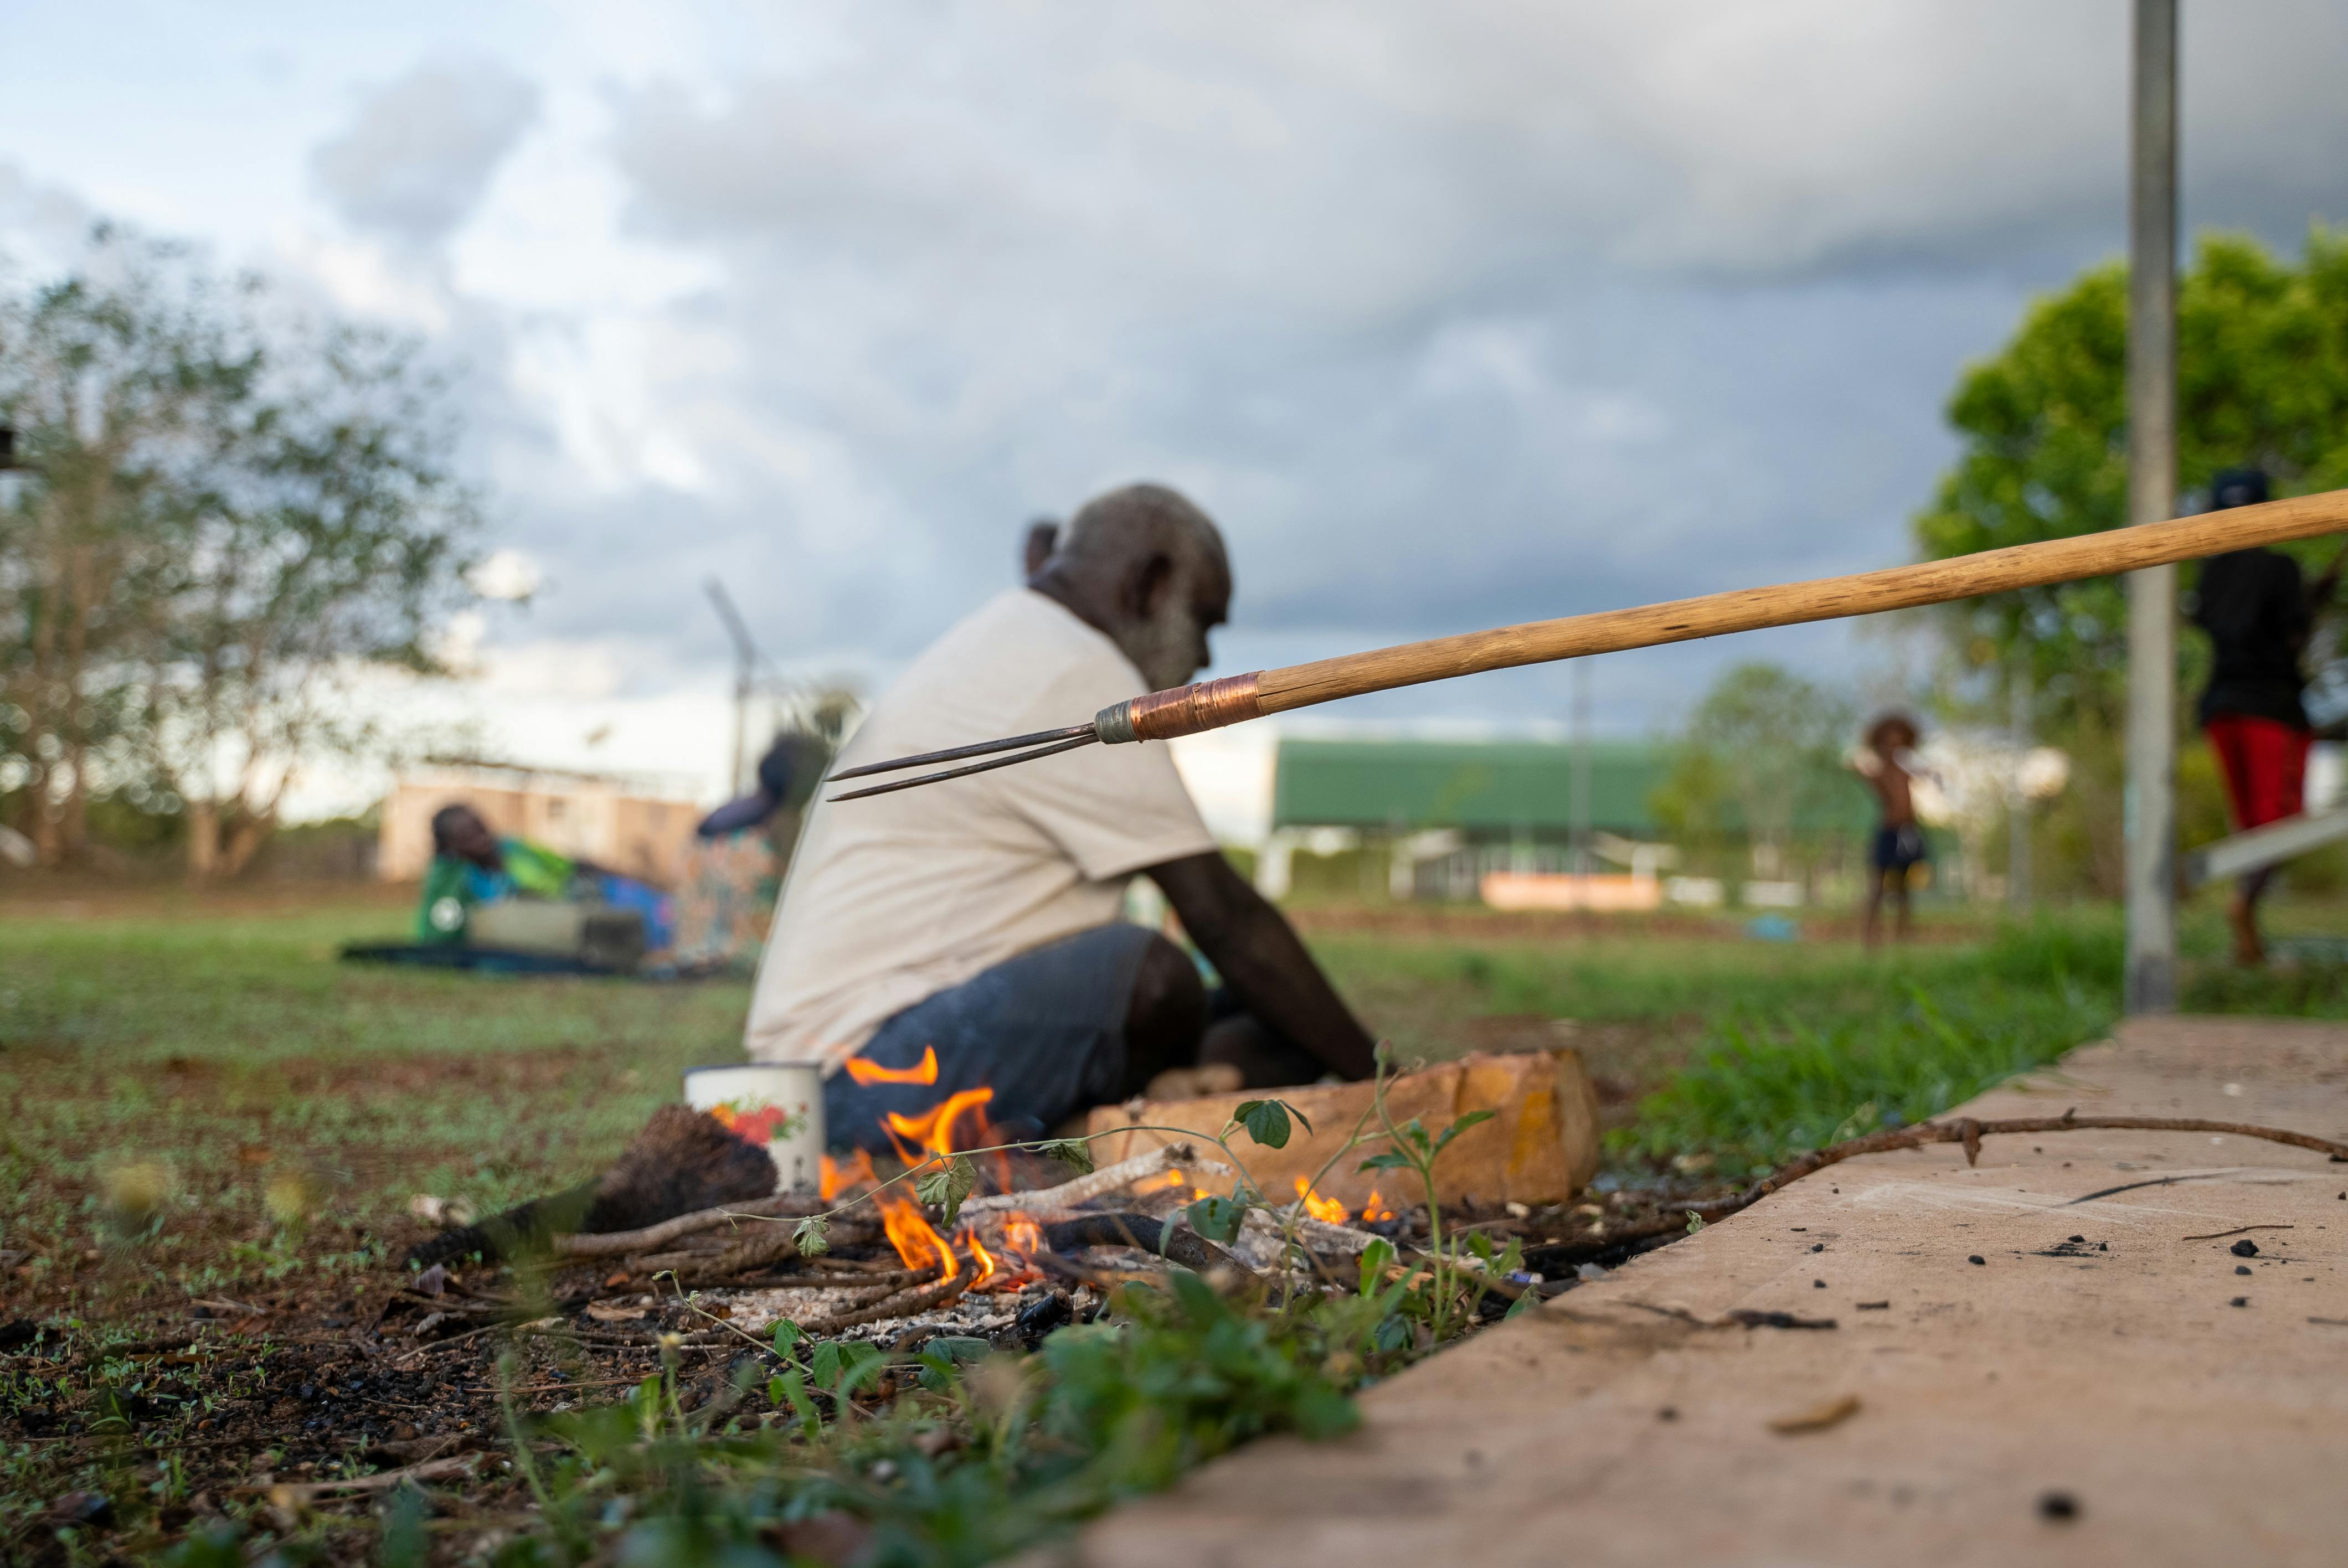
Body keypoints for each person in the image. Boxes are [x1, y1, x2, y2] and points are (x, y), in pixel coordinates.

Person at [745, 483, 1377, 1152]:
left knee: (1278, 1019)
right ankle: (1128, 1122)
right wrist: (1386, 1084)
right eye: (1205, 621)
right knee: (1153, 974)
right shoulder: (1067, 669)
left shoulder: (1020, 640)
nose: (1206, 661)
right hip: (855, 1084)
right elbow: (1224, 916)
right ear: (1150, 585)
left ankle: (1145, 1108)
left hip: (863, 1064)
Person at [2190, 467, 2346, 966]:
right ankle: (2242, 906)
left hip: (2220, 707)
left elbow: (2213, 622)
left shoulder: (2210, 574)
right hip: (2270, 707)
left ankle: (2246, 930)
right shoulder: (2279, 567)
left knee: (2252, 825)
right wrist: (2311, 603)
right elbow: (2290, 637)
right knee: (2279, 824)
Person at [415, 802, 676, 950]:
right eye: (467, 837)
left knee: (662, 910)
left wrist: (629, 878)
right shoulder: (459, 878)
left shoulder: (516, 849)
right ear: (451, 847)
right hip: (565, 922)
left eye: (480, 828)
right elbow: (440, 925)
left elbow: (571, 865)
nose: (480, 838)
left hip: (591, 895)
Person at [1850, 713, 1927, 948]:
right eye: (1890, 743)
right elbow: (1860, 769)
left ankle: (1903, 939)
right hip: (1889, 833)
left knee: (1904, 889)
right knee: (1878, 888)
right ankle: (1870, 939)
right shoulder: (1880, 773)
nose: (1895, 748)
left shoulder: (1906, 773)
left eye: (1899, 743)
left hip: (1908, 834)